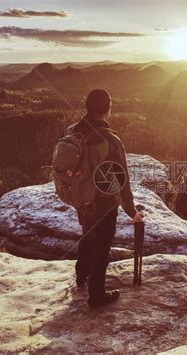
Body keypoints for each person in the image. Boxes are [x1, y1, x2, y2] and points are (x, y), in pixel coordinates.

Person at [68, 89, 143, 308]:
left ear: (87, 108)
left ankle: (81, 276)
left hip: (82, 198)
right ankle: (96, 295)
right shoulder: (110, 140)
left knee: (87, 235)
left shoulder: (74, 132)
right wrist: (132, 211)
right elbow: (122, 181)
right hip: (104, 203)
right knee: (102, 246)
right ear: (108, 110)